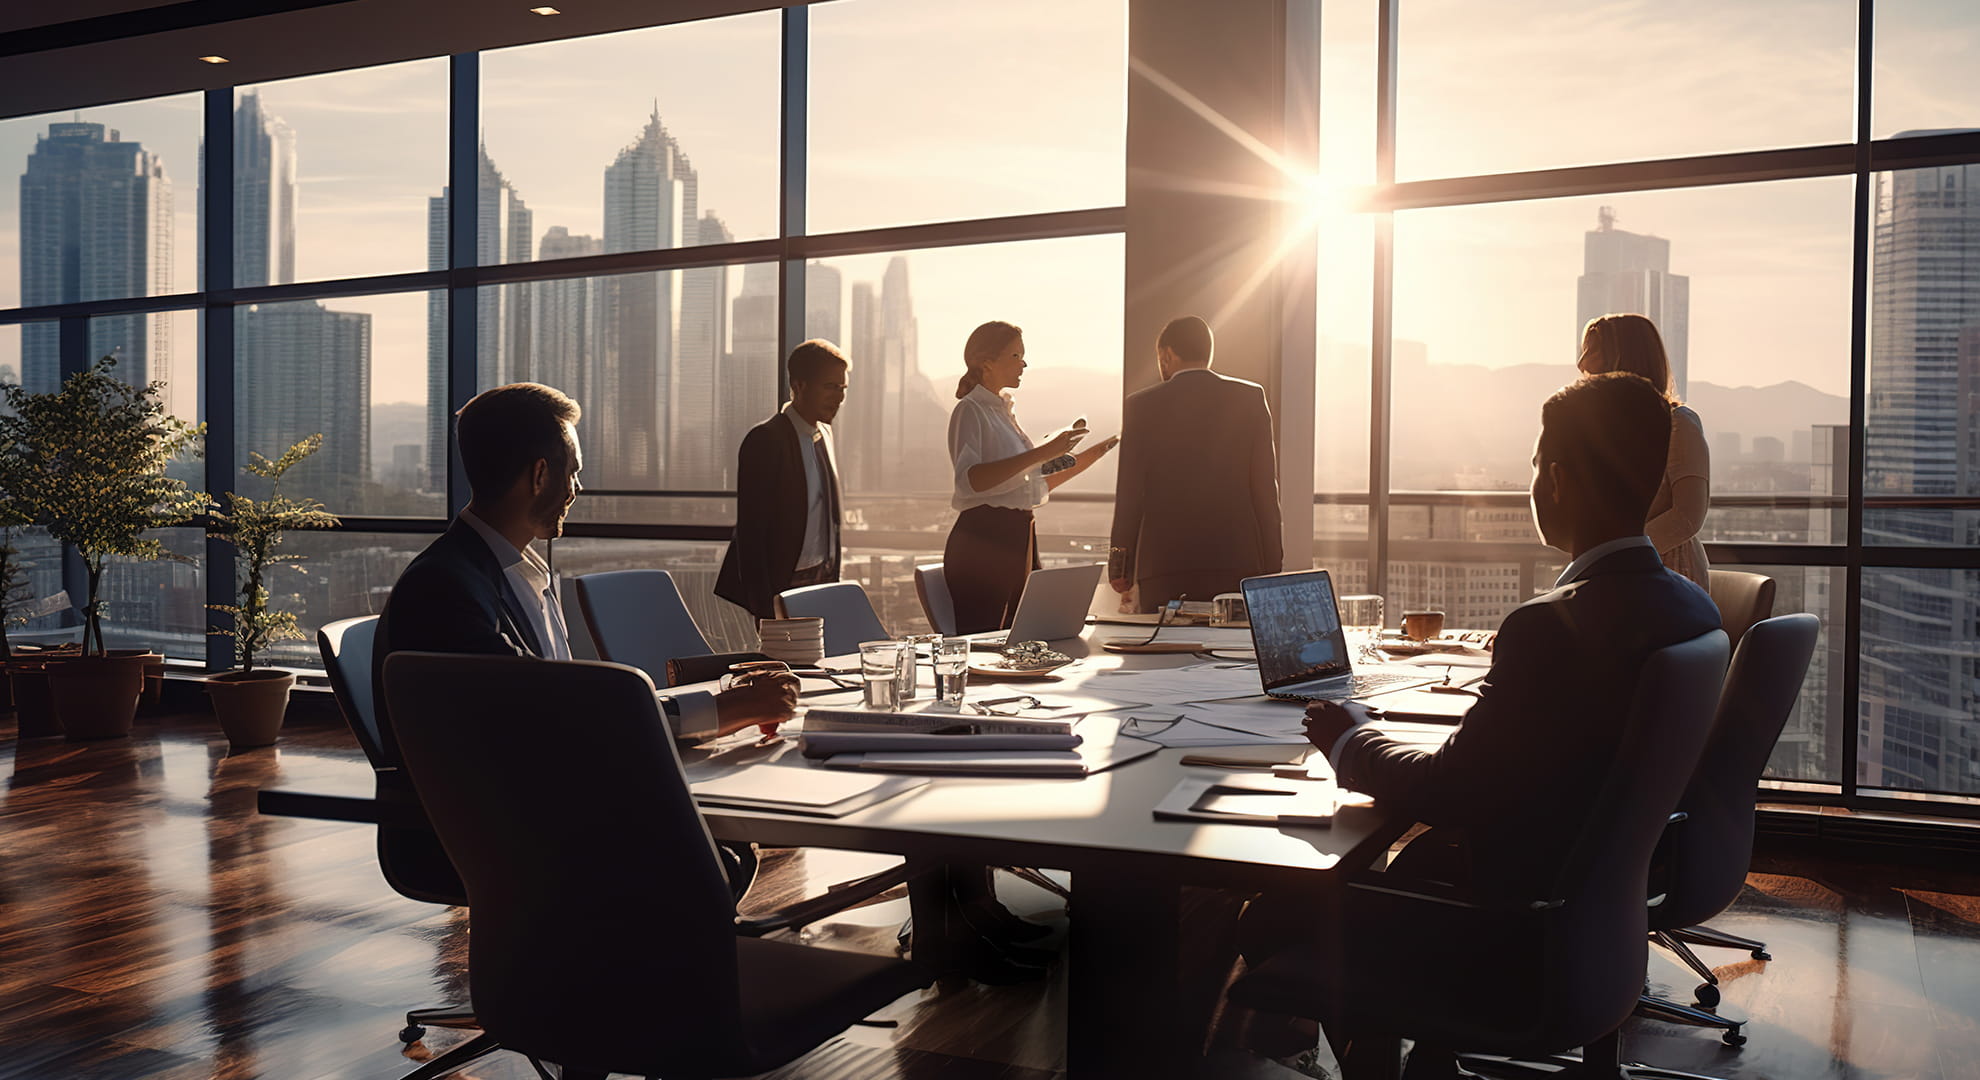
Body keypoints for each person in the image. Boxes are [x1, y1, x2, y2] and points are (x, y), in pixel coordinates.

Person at [1228, 373, 1721, 1072]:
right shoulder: (1690, 610)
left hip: (1512, 934)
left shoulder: (1552, 626)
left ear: (1556, 480)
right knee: (1405, 865)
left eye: (1533, 466)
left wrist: (1348, 737)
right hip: (1595, 922)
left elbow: (1450, 791)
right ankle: (1429, 1064)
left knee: (1274, 917)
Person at [373, 383, 798, 763]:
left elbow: (569, 704)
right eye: (573, 472)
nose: (576, 489)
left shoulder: (511, 572)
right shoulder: (444, 589)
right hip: (501, 839)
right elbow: (556, 717)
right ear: (540, 475)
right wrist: (726, 710)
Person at [943, 320, 1120, 634]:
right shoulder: (970, 411)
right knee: (987, 641)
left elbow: (1033, 482)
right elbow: (971, 481)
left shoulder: (1004, 412)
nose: (1024, 363)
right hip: (984, 541)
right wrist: (1044, 452)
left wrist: (1092, 455)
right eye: (1015, 356)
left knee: (1020, 636)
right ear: (987, 363)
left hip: (1018, 536)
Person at [1108, 315, 1282, 610]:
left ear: (1167, 355)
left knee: (1166, 652)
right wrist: (1272, 561)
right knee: (1233, 653)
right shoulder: (1251, 397)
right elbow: (1265, 489)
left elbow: (1130, 494)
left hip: (1164, 564)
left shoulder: (1141, 406)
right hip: (1237, 562)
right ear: (1208, 352)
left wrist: (1120, 566)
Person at [716, 339, 849, 619]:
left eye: (842, 388)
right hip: (783, 586)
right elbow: (751, 536)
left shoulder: (824, 435)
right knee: (784, 663)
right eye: (830, 387)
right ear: (799, 386)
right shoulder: (765, 440)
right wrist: (765, 607)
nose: (839, 397)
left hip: (822, 581)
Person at [1577, 313, 1710, 590]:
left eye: (1593, 350)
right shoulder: (1602, 431)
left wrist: (1620, 552)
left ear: (1625, 358)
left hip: (1667, 574)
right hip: (1610, 571)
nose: (1582, 363)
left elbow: (1688, 516)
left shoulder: (1678, 424)